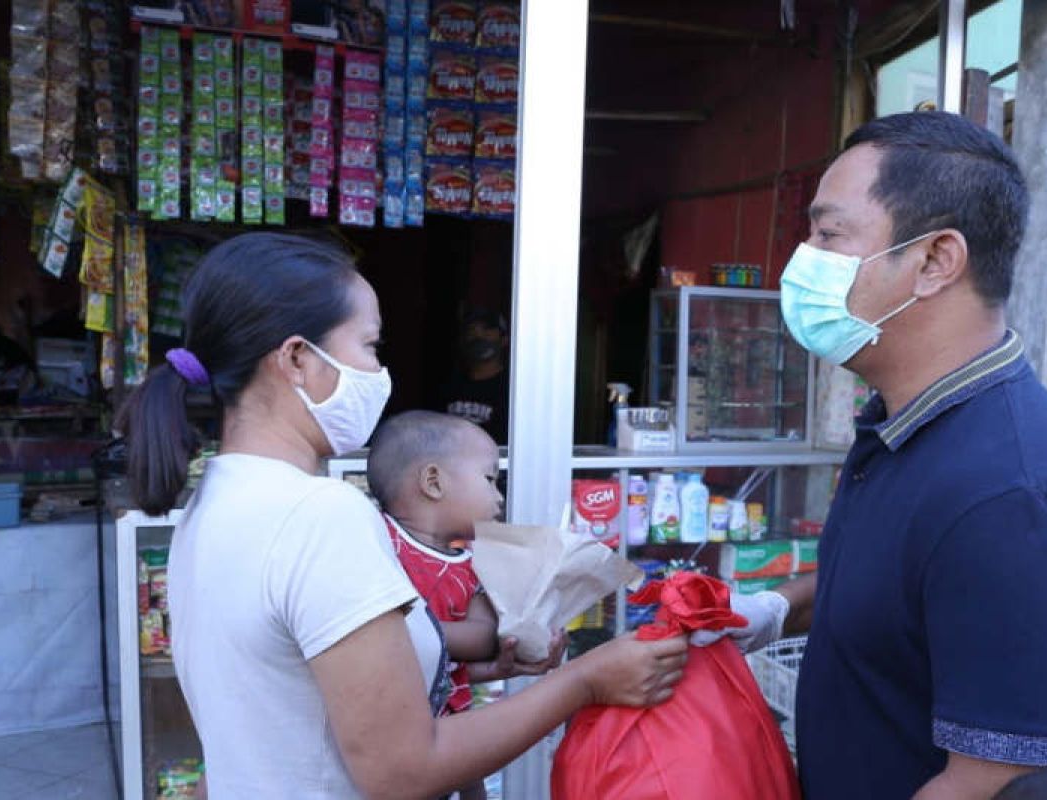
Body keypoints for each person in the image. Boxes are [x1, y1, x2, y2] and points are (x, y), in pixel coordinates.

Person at [119, 232, 688, 799]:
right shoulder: (319, 514)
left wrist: (473, 670)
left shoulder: (214, 500)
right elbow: (404, 771)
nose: (378, 372)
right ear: (296, 358)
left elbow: (292, 696)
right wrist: (586, 680)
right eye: (369, 347)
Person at [701, 112, 1047, 798]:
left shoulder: (1019, 501)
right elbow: (905, 591)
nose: (803, 258)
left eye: (829, 234)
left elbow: (988, 786)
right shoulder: (902, 427)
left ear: (935, 261)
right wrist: (776, 609)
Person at [367, 410, 548, 800]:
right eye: (489, 480)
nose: (499, 496)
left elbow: (464, 652)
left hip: (450, 735)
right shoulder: (376, 544)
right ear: (433, 481)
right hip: (390, 740)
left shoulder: (471, 563)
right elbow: (476, 638)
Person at [442, 308, 509, 444]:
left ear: (504, 340)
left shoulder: (513, 390)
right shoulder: (449, 387)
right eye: (471, 331)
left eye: (487, 330)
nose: (479, 336)